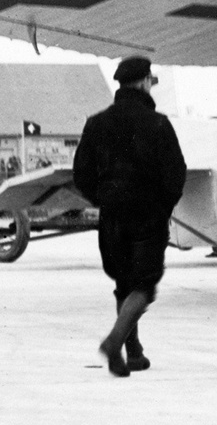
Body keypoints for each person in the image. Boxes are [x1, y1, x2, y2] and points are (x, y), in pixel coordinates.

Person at [72, 56, 188, 376]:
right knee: (144, 286)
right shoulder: (158, 124)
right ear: (143, 82)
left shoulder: (95, 123)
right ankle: (113, 343)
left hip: (112, 215)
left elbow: (81, 174)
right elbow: (176, 174)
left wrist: (104, 198)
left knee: (124, 282)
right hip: (148, 215)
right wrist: (163, 207)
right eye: (150, 80)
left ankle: (132, 353)